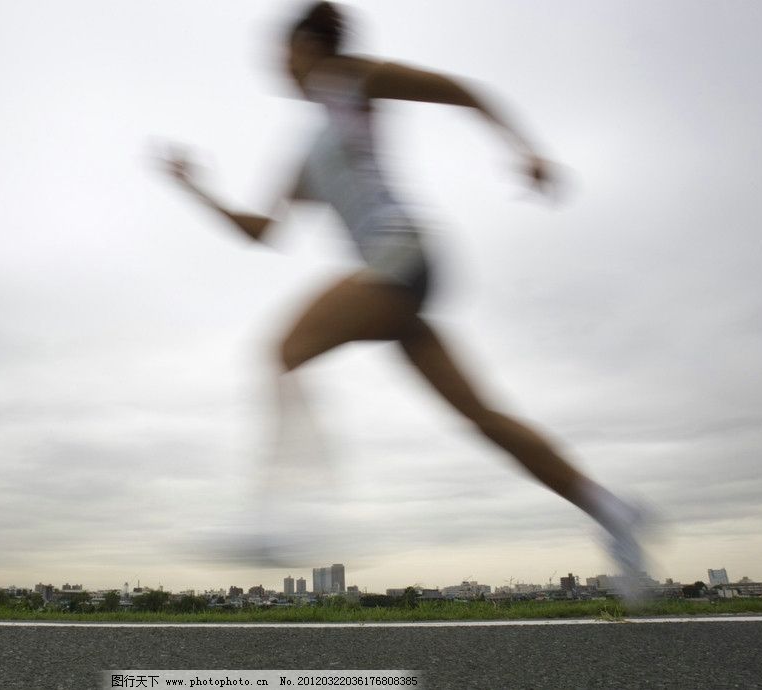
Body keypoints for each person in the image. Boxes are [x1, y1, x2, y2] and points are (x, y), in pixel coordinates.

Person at [161, 2, 650, 596]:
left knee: (285, 348)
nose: (279, 62)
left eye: (285, 49)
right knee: (480, 416)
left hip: (404, 253)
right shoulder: (308, 150)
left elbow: (461, 91)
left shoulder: (351, 79)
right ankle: (613, 512)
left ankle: (279, 515)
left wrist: (525, 150)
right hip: (395, 279)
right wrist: (195, 188)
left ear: (313, 47)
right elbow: (262, 230)